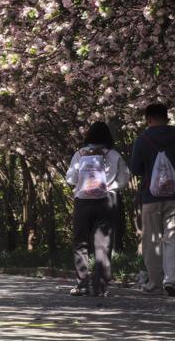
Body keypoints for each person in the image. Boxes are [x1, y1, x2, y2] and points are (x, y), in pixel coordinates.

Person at [129, 103, 175, 297]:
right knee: (174, 238)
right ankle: (172, 281)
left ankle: (154, 282)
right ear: (167, 117)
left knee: (151, 240)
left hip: (150, 199)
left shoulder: (142, 139)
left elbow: (135, 169)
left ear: (149, 119)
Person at [64, 121, 130, 296]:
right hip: (106, 201)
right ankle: (100, 286)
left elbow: (70, 179)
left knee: (80, 243)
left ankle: (82, 284)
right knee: (103, 244)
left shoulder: (80, 154)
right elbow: (124, 181)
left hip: (83, 201)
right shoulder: (114, 155)